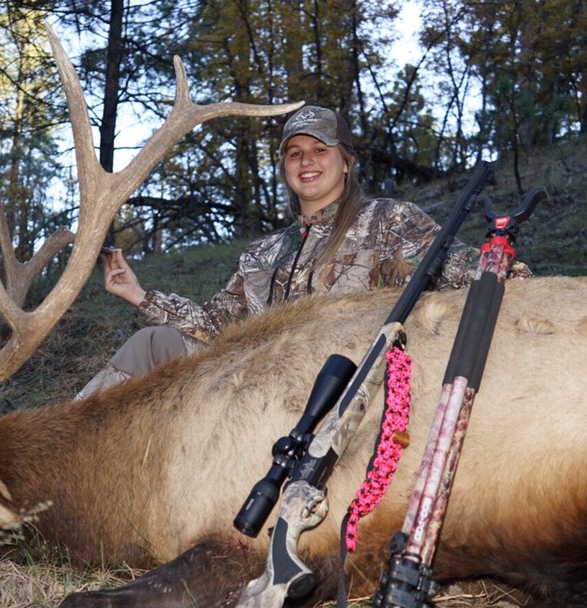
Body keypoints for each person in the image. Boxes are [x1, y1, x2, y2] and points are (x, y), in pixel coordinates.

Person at [76, 105, 518, 399]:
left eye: (319, 150)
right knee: (152, 344)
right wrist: (140, 296)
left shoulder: (391, 221)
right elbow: (214, 327)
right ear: (285, 167)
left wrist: (519, 284)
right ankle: (66, 450)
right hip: (257, 382)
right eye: (294, 153)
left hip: (347, 387)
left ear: (345, 161)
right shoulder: (263, 253)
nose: (307, 161)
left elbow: (469, 271)